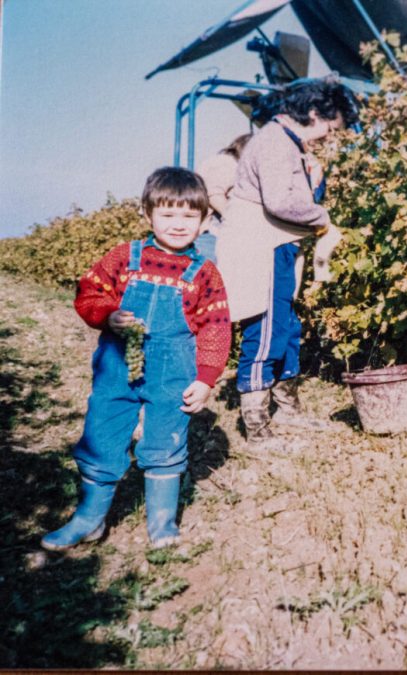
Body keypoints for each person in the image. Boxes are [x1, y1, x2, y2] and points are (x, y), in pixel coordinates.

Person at [41, 167, 231, 551]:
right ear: (147, 214)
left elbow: (216, 325)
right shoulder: (124, 257)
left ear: (204, 219)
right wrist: (107, 314)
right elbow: (89, 291)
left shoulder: (204, 273)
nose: (178, 224)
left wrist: (205, 378)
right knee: (103, 433)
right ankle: (89, 519)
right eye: (168, 214)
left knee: (165, 440)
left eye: (189, 215)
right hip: (117, 367)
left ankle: (162, 523)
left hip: (173, 373)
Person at [215, 79, 350, 448]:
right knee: (266, 328)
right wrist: (323, 218)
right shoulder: (275, 142)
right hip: (264, 245)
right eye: (330, 127)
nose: (328, 136)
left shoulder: (288, 144)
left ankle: (287, 407)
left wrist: (315, 184)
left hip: (280, 244)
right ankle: (256, 426)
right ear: (313, 114)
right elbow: (279, 202)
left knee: (287, 326)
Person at [194, 133, 252, 262]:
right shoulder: (227, 163)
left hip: (214, 234)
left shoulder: (227, 163)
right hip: (210, 235)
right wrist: (239, 221)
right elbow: (214, 194)